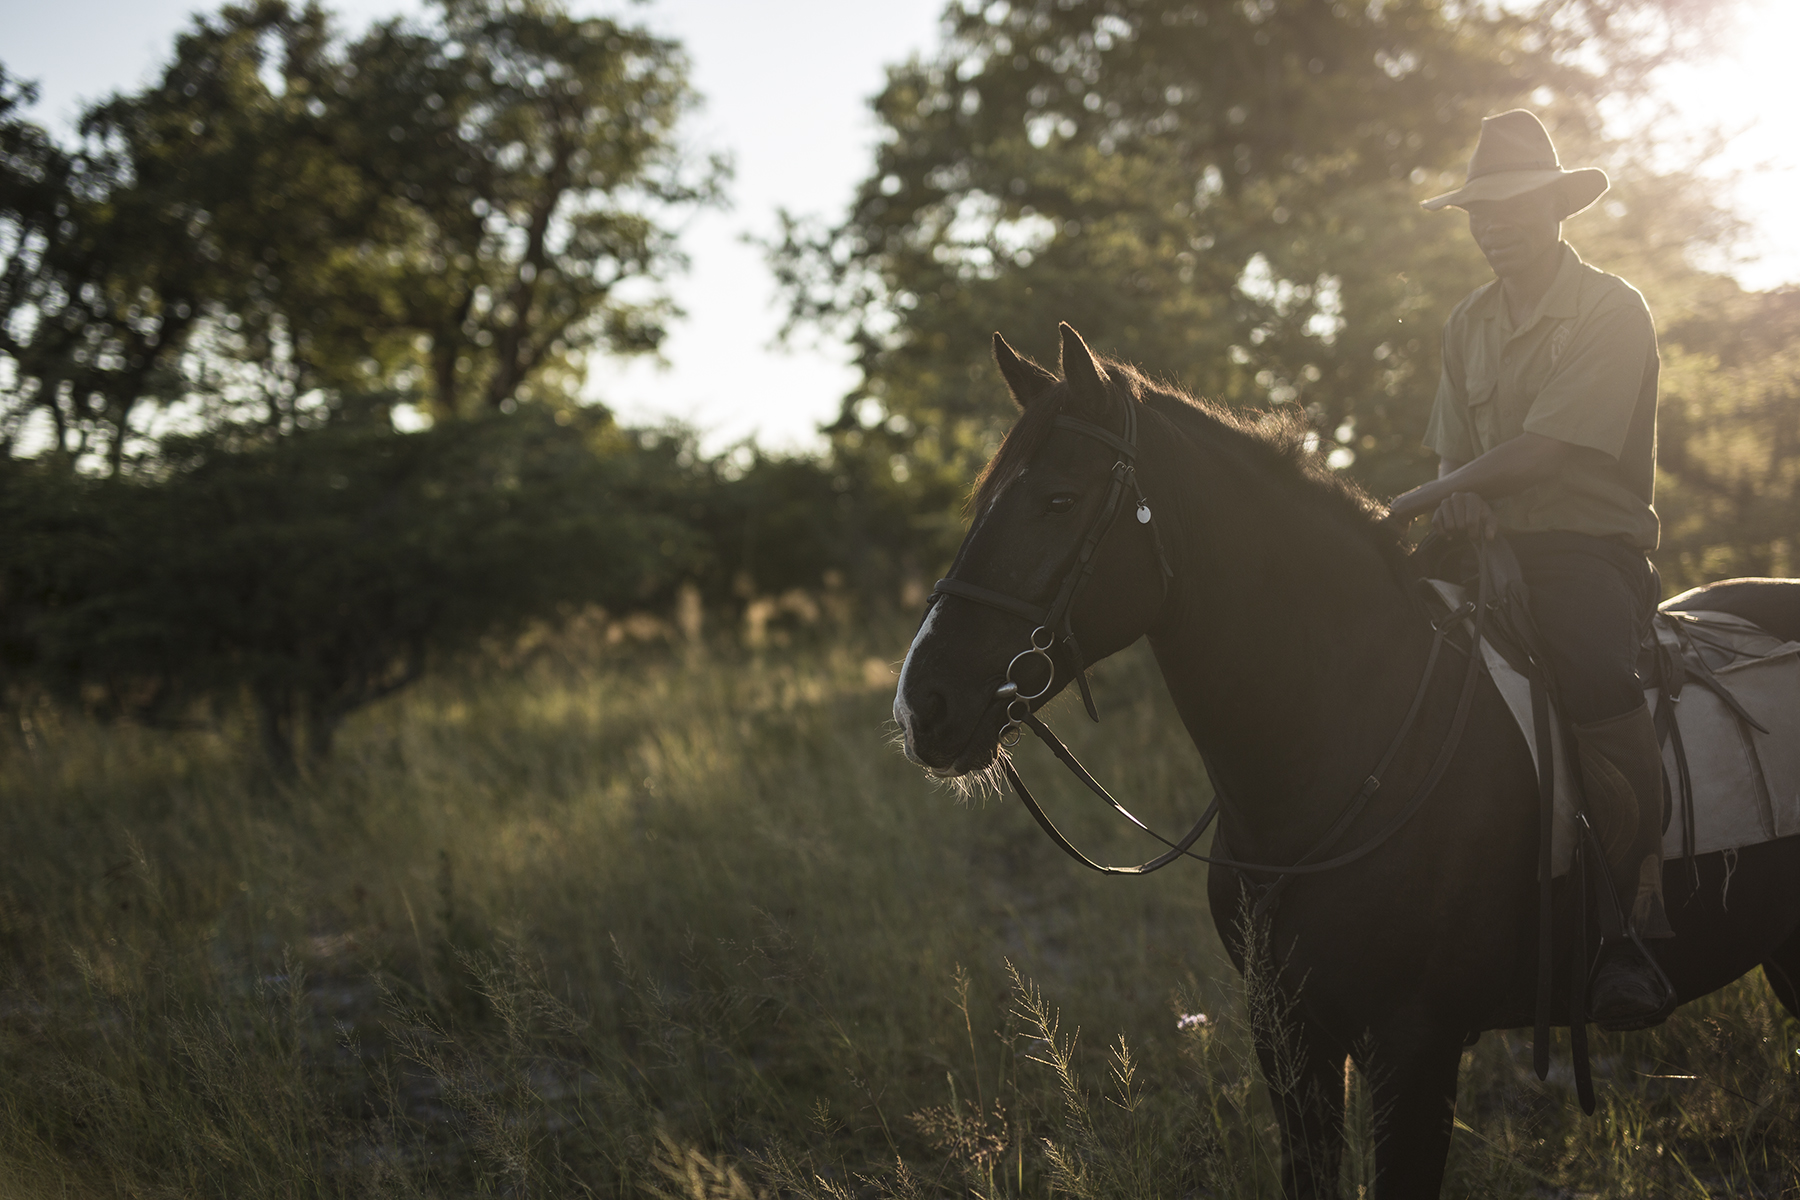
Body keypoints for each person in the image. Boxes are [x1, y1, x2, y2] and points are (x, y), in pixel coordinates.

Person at [1386, 109, 1671, 1030]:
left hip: (1587, 548)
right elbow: (1452, 458)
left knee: (1592, 671)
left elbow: (1545, 450)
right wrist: (1453, 500)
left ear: (1555, 207)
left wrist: (1420, 501)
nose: (1491, 225)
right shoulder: (1466, 323)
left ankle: (1627, 922)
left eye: (1509, 207)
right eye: (1478, 211)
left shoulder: (1610, 309)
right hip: (1489, 543)